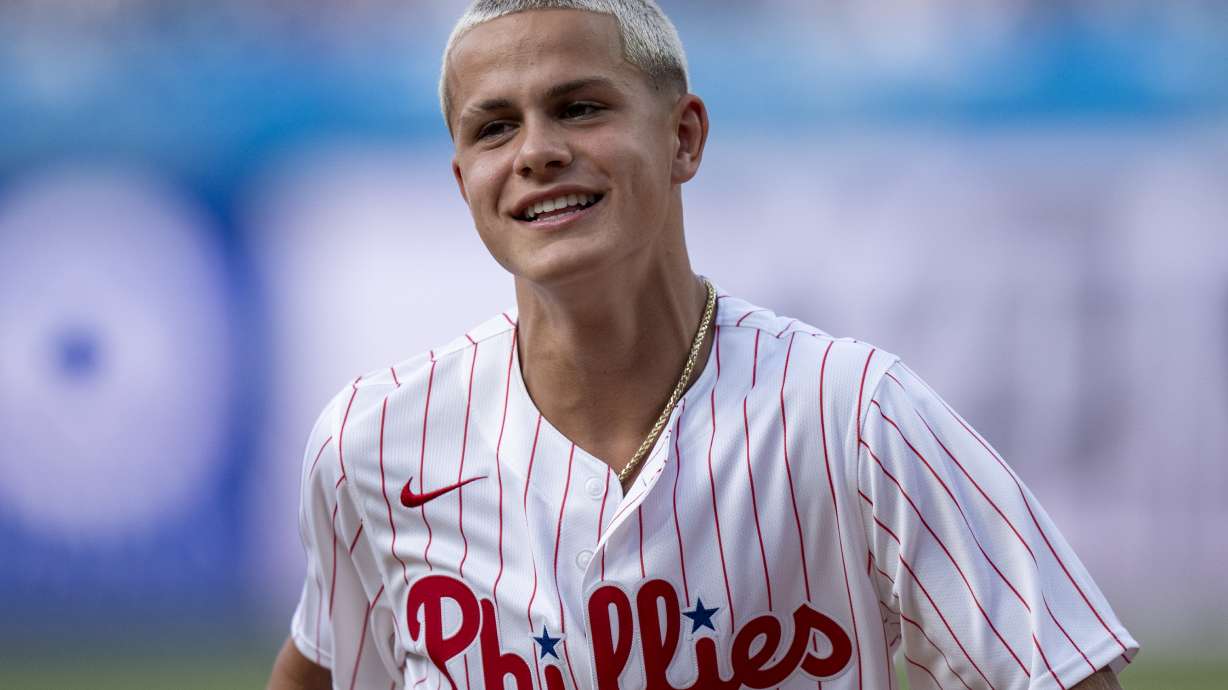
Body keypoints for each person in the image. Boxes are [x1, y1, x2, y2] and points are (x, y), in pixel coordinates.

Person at [268, 1, 1138, 688]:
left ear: (683, 136)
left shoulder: (852, 413)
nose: (536, 151)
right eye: (494, 127)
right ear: (464, 178)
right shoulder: (373, 446)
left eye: (579, 107)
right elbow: (325, 665)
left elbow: (1058, 668)